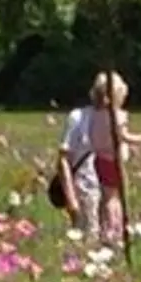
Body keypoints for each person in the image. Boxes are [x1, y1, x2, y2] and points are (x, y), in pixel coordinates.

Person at [88, 71, 141, 242]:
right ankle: (114, 229)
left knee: (105, 195)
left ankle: (103, 227)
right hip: (113, 160)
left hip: (99, 158)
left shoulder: (94, 115)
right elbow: (123, 136)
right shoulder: (118, 115)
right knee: (114, 197)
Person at [55, 98, 100, 241]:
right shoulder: (79, 118)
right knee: (86, 239)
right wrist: (71, 200)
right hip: (84, 190)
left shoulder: (116, 119)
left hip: (109, 192)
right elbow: (63, 160)